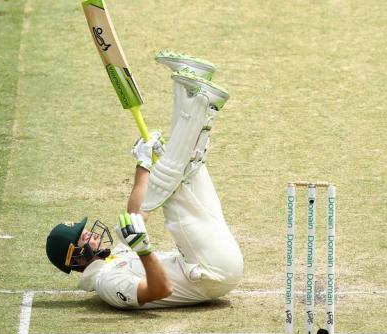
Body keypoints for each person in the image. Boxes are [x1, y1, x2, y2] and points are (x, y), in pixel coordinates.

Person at [45, 51, 243, 309]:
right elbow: (161, 289)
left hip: (214, 260)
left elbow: (139, 214)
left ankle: (198, 96)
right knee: (170, 187)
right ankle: (195, 98)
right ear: (76, 258)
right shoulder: (108, 283)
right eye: (84, 237)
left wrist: (144, 162)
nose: (92, 235)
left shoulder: (114, 259)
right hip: (211, 272)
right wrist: (144, 249)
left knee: (188, 172)